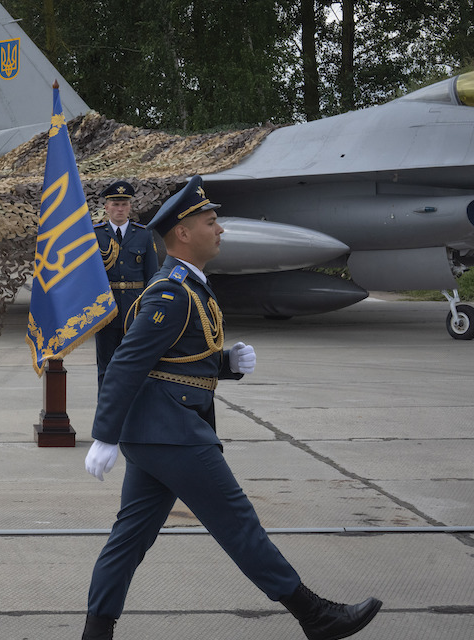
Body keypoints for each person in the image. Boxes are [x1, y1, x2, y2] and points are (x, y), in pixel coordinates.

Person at [80, 176, 381, 640]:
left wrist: (224, 363)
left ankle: (95, 633)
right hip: (170, 431)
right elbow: (126, 362)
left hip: (160, 430)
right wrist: (105, 434)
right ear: (183, 232)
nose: (219, 229)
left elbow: (174, 358)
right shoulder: (170, 292)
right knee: (238, 523)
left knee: (129, 539)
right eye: (211, 221)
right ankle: (314, 615)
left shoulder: (190, 285)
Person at [93, 180, 159, 390]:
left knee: (135, 364)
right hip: (107, 309)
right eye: (115, 204)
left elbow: (152, 275)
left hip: (135, 308)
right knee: (106, 366)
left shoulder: (143, 234)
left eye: (124, 204)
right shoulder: (95, 235)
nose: (119, 209)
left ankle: (132, 412)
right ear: (106, 207)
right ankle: (106, 412)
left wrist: (150, 309)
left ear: (130, 206)